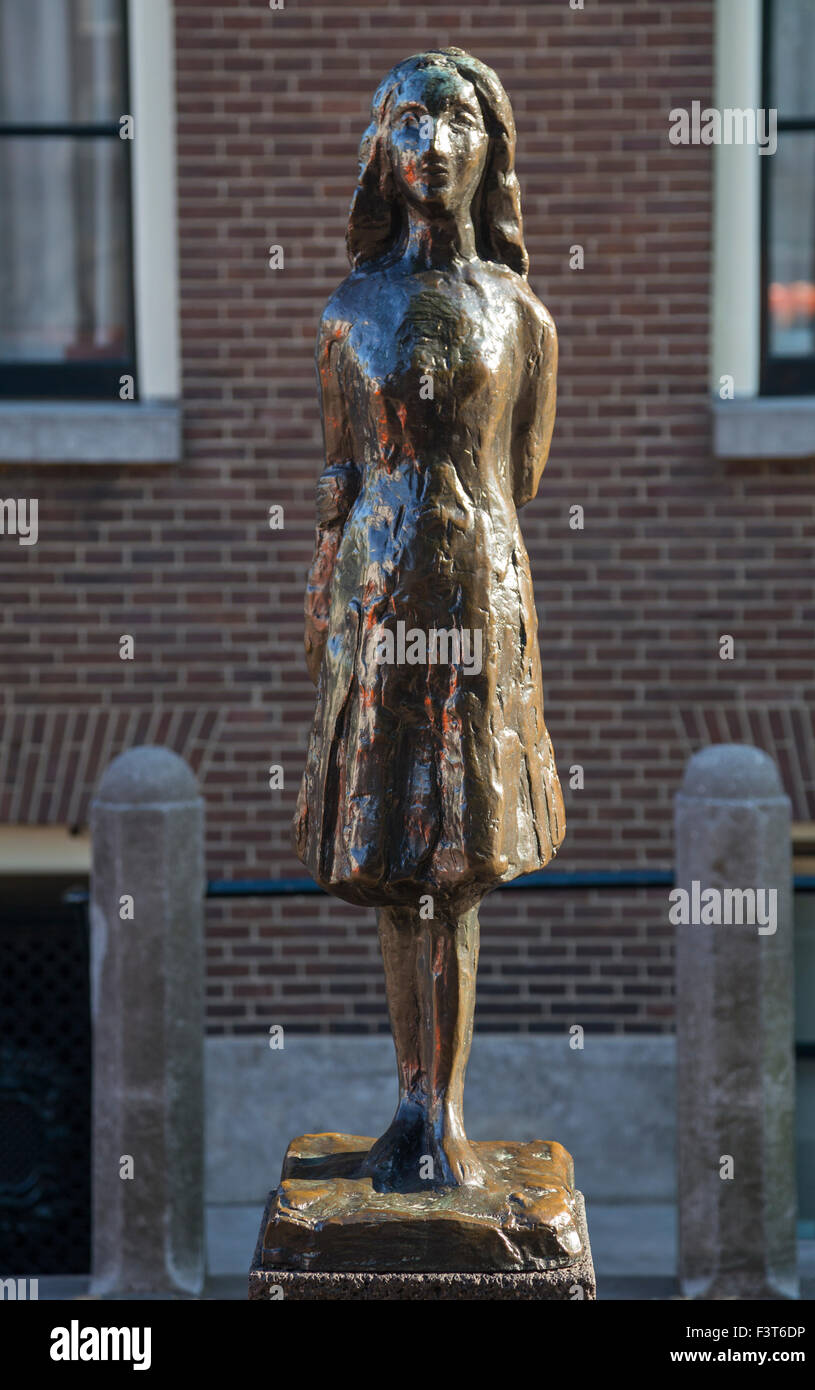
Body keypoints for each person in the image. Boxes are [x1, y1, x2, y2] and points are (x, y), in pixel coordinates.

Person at [294, 49, 565, 1192]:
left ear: (491, 150)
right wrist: (329, 611)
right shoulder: (348, 312)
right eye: (413, 121)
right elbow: (342, 477)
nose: (436, 145)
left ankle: (442, 1110)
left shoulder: (522, 317)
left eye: (460, 122)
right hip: (376, 598)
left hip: (479, 595)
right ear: (384, 149)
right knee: (397, 858)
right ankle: (411, 1095)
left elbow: (523, 476)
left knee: (458, 864)